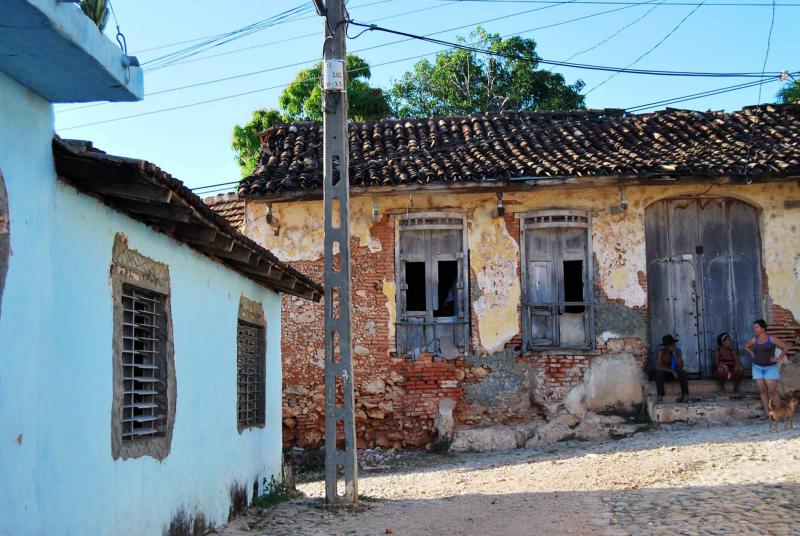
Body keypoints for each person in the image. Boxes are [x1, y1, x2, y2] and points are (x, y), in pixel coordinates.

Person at [744, 318, 789, 420]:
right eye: (754, 327)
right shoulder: (754, 340)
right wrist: (751, 353)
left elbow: (785, 347)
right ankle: (766, 412)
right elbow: (746, 346)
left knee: (773, 392)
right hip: (757, 368)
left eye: (757, 327)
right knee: (762, 391)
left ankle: (779, 413)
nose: (754, 329)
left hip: (770, 368)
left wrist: (778, 359)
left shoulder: (771, 339)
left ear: (763, 328)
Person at [655, 334, 689, 402]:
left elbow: (681, 366)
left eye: (672, 344)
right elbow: (658, 366)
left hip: (676, 375)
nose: (672, 346)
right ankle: (660, 395)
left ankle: (685, 395)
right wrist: (671, 371)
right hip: (666, 375)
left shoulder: (678, 351)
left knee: (682, 372)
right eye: (669, 345)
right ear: (666, 346)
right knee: (658, 373)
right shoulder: (661, 352)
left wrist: (674, 354)